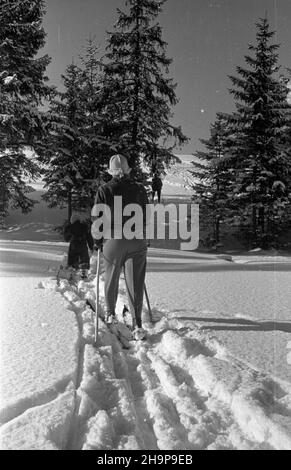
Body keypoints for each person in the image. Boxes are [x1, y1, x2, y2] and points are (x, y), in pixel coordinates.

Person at [91, 154, 149, 341]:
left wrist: (97, 241)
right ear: (127, 168)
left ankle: (110, 314)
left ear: (111, 169)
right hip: (136, 238)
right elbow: (146, 214)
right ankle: (137, 322)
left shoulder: (104, 189)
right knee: (135, 281)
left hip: (113, 239)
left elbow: (98, 218)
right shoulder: (140, 189)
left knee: (111, 277)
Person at [64, 213, 94, 279]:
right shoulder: (84, 226)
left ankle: (71, 272)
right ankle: (84, 272)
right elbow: (89, 237)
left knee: (72, 258)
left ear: (72, 220)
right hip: (83, 245)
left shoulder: (69, 227)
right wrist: (91, 247)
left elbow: (66, 238)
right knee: (84, 258)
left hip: (74, 245)